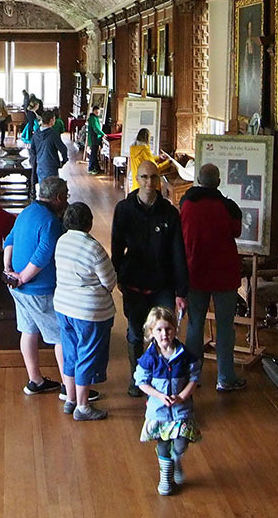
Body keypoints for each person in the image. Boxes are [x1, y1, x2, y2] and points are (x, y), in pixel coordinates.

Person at [112, 160, 189, 396]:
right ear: (137, 178)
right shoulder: (124, 209)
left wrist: (181, 291)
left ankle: (164, 378)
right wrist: (118, 275)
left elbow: (178, 252)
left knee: (165, 332)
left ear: (158, 180)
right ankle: (138, 378)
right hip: (134, 283)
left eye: (153, 178)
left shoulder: (169, 212)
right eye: (144, 177)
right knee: (136, 332)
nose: (149, 182)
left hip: (162, 283)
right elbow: (116, 247)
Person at [180, 163, 246, 392]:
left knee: (195, 323)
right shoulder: (228, 207)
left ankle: (192, 377)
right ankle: (225, 377)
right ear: (218, 182)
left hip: (195, 272)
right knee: (225, 326)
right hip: (224, 274)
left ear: (198, 179)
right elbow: (236, 231)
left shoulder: (186, 203)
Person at [3, 176, 69, 396]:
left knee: (28, 331)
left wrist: (8, 270)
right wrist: (23, 277)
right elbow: (43, 255)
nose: (67, 201)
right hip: (38, 290)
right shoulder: (51, 221)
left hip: (17, 289)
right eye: (66, 196)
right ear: (58, 198)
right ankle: (70, 390)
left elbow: (9, 240)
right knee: (60, 336)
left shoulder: (26, 212)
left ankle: (35, 381)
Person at [54, 201, 117, 421]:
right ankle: (83, 406)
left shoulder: (62, 241)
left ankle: (71, 399)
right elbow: (110, 282)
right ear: (89, 223)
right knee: (87, 356)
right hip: (90, 312)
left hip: (63, 306)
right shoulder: (94, 248)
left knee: (71, 354)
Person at [134, 306, 202, 496]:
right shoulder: (149, 359)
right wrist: (158, 396)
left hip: (181, 410)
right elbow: (141, 382)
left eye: (168, 329)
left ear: (175, 329)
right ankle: (166, 476)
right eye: (159, 330)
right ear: (151, 333)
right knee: (162, 443)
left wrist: (182, 396)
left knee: (181, 442)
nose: (164, 334)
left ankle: (176, 458)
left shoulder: (184, 355)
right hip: (159, 411)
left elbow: (194, 377)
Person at [125, 127, 174, 192]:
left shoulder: (134, 149)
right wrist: (168, 162)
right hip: (146, 184)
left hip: (137, 181)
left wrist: (159, 157)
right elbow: (154, 168)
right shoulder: (144, 149)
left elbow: (144, 159)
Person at [29, 108, 67, 187]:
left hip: (40, 166)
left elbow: (32, 150)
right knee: (52, 191)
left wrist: (34, 162)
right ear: (51, 120)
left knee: (43, 189)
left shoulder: (36, 134)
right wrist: (64, 161)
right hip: (51, 166)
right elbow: (63, 149)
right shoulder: (53, 134)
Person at [86, 105, 105, 174]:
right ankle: (91, 168)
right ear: (93, 111)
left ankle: (96, 168)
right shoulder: (93, 119)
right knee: (93, 154)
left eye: (98, 112)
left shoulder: (94, 118)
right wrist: (103, 134)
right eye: (96, 112)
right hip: (94, 139)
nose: (98, 113)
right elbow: (96, 129)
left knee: (94, 153)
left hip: (95, 138)